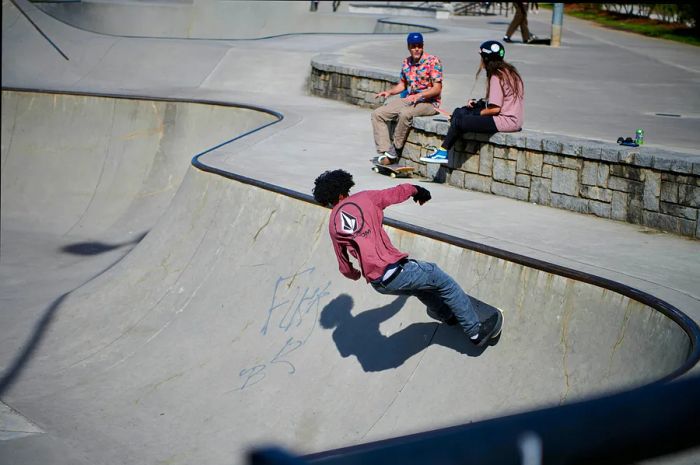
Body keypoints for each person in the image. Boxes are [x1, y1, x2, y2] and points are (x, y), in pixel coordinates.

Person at [312, 169, 503, 347]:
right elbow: (394, 193)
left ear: (328, 200)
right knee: (442, 282)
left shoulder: (333, 225)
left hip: (379, 283)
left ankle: (448, 316)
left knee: (419, 289)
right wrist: (417, 190)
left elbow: (344, 267)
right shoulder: (365, 198)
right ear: (342, 193)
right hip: (395, 270)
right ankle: (475, 331)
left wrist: (355, 274)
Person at [420, 40, 524, 164]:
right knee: (460, 111)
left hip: (506, 121)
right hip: (512, 119)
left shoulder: (497, 76)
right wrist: (478, 104)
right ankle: (454, 122)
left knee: (460, 120)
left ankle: (442, 152)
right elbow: (501, 101)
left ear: (486, 58)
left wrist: (474, 114)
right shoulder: (509, 72)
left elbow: (495, 109)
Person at [371, 32, 443, 165]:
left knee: (405, 113)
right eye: (413, 46)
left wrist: (420, 95)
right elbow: (402, 85)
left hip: (429, 102)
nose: (416, 49)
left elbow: (437, 88)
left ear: (422, 46)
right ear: (408, 47)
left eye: (419, 46)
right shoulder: (406, 62)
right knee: (378, 114)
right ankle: (384, 152)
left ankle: (395, 150)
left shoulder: (433, 61)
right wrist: (389, 92)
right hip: (411, 99)